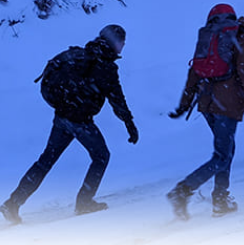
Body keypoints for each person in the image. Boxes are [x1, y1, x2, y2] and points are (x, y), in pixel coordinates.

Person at [0, 25, 139, 224]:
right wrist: (130, 124)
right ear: (114, 43)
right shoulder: (106, 66)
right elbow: (118, 100)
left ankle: (13, 203)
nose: (123, 46)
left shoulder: (80, 54)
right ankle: (84, 202)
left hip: (62, 116)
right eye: (122, 42)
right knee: (101, 156)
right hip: (80, 121)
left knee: (45, 161)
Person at [167, 5, 244, 220]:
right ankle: (182, 191)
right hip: (226, 104)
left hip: (207, 102)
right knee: (222, 155)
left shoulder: (216, 37)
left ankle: (220, 199)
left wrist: (185, 103)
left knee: (226, 149)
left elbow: (194, 71)